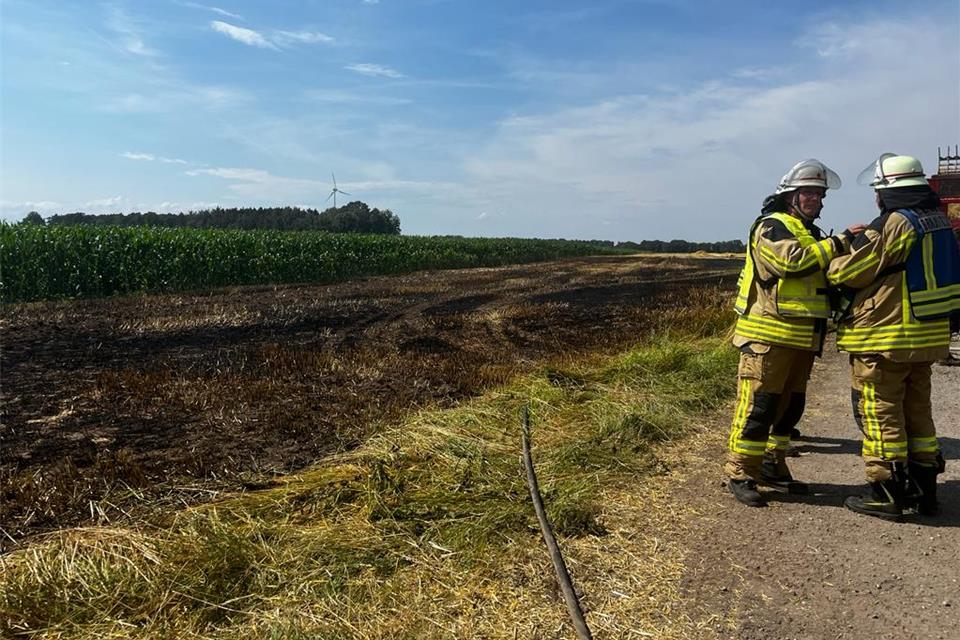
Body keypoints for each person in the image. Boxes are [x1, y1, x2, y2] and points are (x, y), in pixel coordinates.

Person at [828, 153, 960, 520]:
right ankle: (924, 491)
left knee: (881, 412)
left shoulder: (896, 223)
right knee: (918, 415)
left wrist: (834, 261)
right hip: (926, 336)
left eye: (878, 190)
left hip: (886, 337)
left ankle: (887, 493)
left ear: (887, 191)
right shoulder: (938, 221)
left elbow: (852, 272)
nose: (876, 198)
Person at [726, 159, 864, 507]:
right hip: (768, 337)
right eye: (809, 194)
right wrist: (840, 241)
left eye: (820, 195)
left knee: (790, 408)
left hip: (803, 338)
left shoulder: (810, 233)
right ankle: (740, 471)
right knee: (759, 406)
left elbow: (827, 271)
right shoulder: (772, 227)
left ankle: (772, 464)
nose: (816, 200)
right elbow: (791, 262)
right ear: (790, 195)